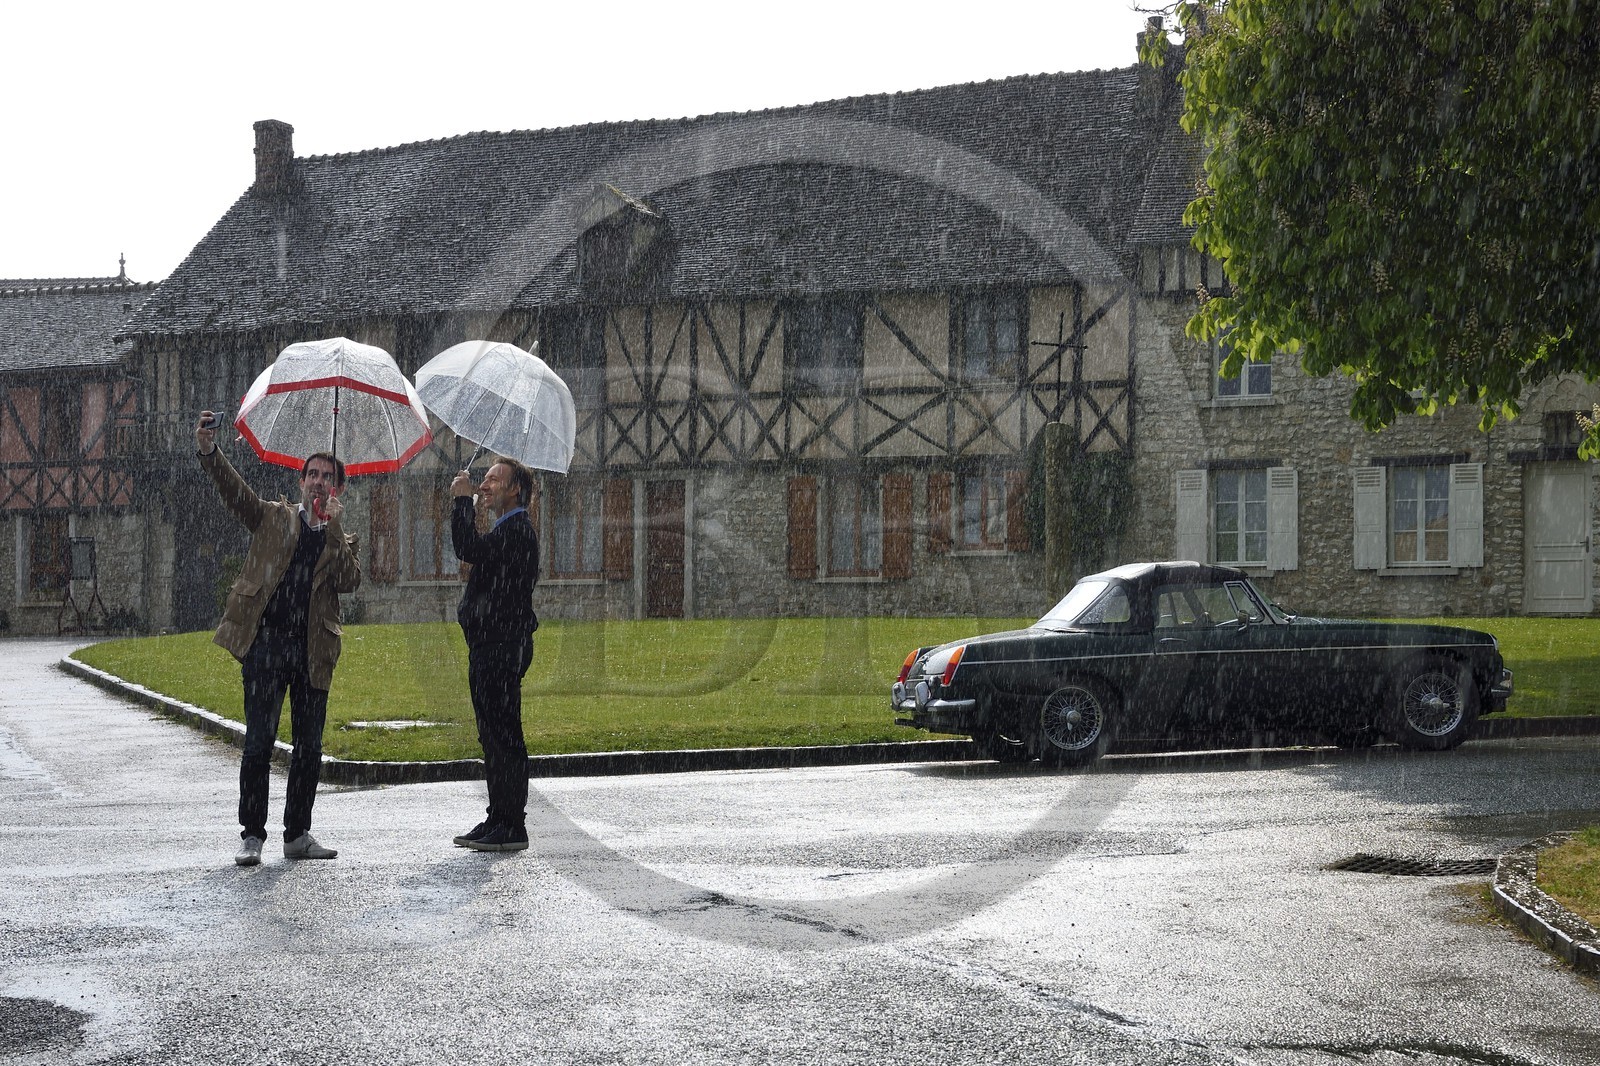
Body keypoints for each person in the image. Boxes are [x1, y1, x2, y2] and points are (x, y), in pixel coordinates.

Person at [196, 410, 361, 866]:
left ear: (339, 489)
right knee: (259, 741)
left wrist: (331, 528)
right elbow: (236, 495)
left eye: (328, 477)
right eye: (312, 475)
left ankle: (297, 834)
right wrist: (211, 452)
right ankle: (252, 834)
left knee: (309, 745)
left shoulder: (342, 538)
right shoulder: (273, 517)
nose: (319, 483)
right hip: (267, 644)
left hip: (313, 650)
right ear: (300, 480)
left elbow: (349, 581)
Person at [449, 457, 539, 853]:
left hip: (502, 645)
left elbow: (466, 546)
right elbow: (478, 558)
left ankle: (512, 822)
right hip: (490, 644)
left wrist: (460, 503)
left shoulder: (517, 529)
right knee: (491, 734)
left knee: (504, 734)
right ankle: (498, 815)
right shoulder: (506, 531)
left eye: (493, 480)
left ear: (515, 489)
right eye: (482, 480)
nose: (485, 485)